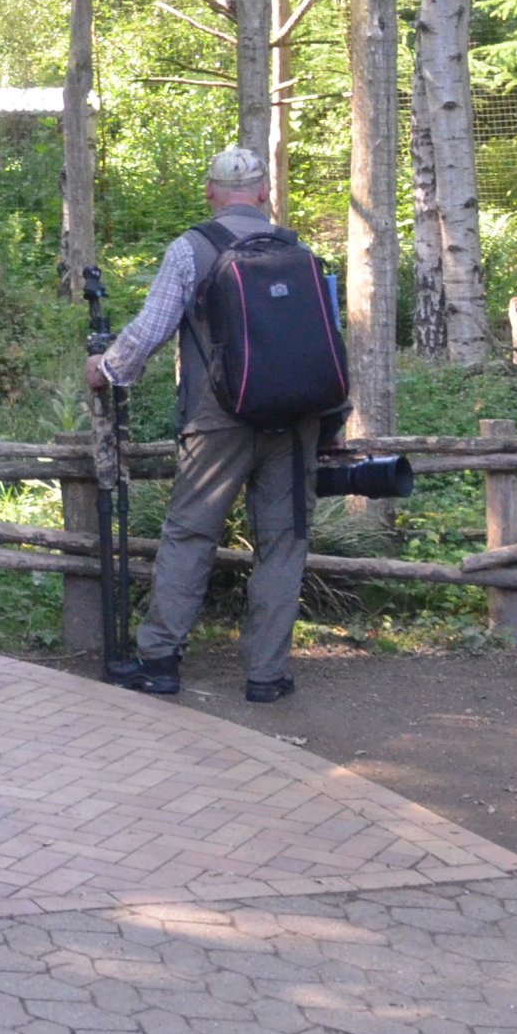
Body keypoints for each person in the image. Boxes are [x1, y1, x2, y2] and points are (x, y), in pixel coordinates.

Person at [83, 144, 319, 704]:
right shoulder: (298, 250)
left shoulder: (191, 249)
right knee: (283, 544)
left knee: (190, 535)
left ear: (210, 192)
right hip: (296, 422)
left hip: (218, 421)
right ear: (264, 193)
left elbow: (150, 329)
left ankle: (161, 661)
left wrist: (107, 369)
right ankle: (267, 675)